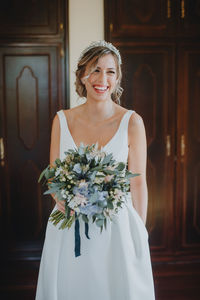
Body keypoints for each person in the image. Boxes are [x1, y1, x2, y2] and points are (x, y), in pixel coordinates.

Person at [35, 40, 155, 300]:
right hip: (69, 225)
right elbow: (54, 177)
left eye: (110, 71)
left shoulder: (132, 122)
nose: (102, 79)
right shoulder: (62, 120)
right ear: (82, 75)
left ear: (117, 76)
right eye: (95, 70)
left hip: (117, 228)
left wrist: (139, 232)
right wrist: (71, 203)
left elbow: (138, 182)